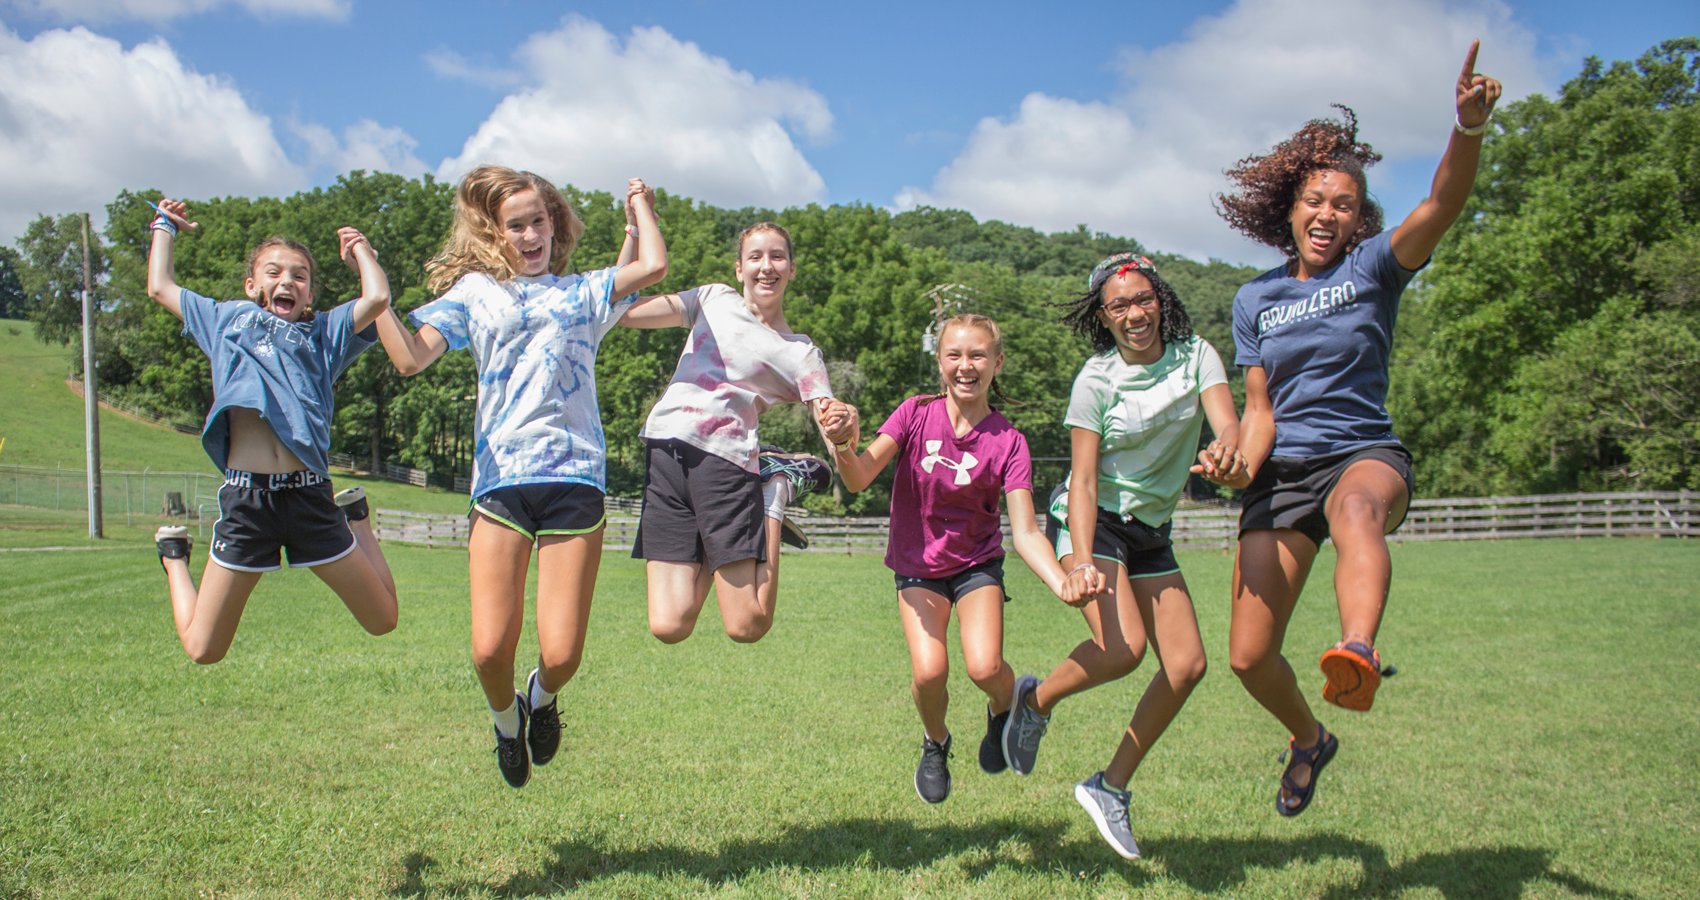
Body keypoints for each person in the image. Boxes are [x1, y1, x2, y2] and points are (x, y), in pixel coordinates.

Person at [1212, 43, 1503, 816]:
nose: (1327, 213)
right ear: (1290, 207)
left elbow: (1440, 205)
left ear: (1358, 218)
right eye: (1315, 200)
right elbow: (1260, 408)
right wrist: (1239, 461)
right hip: (1284, 471)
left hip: (1362, 452)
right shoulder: (1256, 299)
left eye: (1343, 204)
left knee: (1357, 509)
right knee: (1247, 656)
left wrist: (1466, 132)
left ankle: (1359, 649)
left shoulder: (1373, 268)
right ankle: (1310, 738)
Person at [372, 167, 667, 789]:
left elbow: (652, 268)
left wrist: (640, 207)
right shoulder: (476, 292)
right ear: (495, 233)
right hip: (501, 483)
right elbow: (408, 357)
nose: (530, 234)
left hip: (575, 479)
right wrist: (375, 299)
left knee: (562, 655)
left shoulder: (583, 291)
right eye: (516, 225)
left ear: (554, 225)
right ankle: (506, 721)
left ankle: (540, 695)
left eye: (540, 221)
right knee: (487, 651)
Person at [999, 254, 1244, 859]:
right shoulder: (1096, 380)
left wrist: (1225, 455)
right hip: (1095, 521)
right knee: (1123, 649)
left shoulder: (1197, 356)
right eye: (1119, 306)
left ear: (1160, 297)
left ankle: (1109, 787)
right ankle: (1032, 703)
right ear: (1102, 317)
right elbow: (1082, 481)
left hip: (1151, 531)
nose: (1135, 314)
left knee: (1186, 666)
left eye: (1143, 299)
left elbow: (1228, 427)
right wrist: (1080, 559)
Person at [825, 314, 1072, 804]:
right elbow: (858, 477)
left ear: (997, 363)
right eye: (954, 355)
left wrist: (1062, 580)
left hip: (977, 564)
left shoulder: (1010, 441)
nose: (966, 366)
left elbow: (1024, 530)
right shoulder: (915, 413)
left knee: (984, 668)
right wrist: (842, 444)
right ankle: (936, 741)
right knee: (929, 672)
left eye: (978, 355)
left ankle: (1006, 706)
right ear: (939, 362)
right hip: (918, 566)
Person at [145, 198, 399, 665]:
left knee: (383, 619)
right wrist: (165, 225)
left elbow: (378, 298)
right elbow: (159, 286)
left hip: (309, 498)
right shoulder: (225, 319)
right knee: (204, 650)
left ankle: (356, 517)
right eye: (274, 272)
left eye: (299, 276)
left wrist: (362, 251)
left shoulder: (324, 334)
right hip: (248, 502)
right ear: (251, 284)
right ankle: (173, 556)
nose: (287, 281)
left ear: (309, 295)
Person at [619, 221, 851, 645]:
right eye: (755, 257)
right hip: (664, 454)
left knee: (747, 625)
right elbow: (623, 309)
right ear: (739, 268)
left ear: (792, 269)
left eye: (777, 256)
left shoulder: (799, 352)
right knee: (669, 625)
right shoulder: (712, 299)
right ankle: (758, 493)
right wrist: (636, 225)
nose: (767, 266)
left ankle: (774, 489)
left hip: (723, 464)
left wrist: (842, 424)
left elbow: (828, 416)